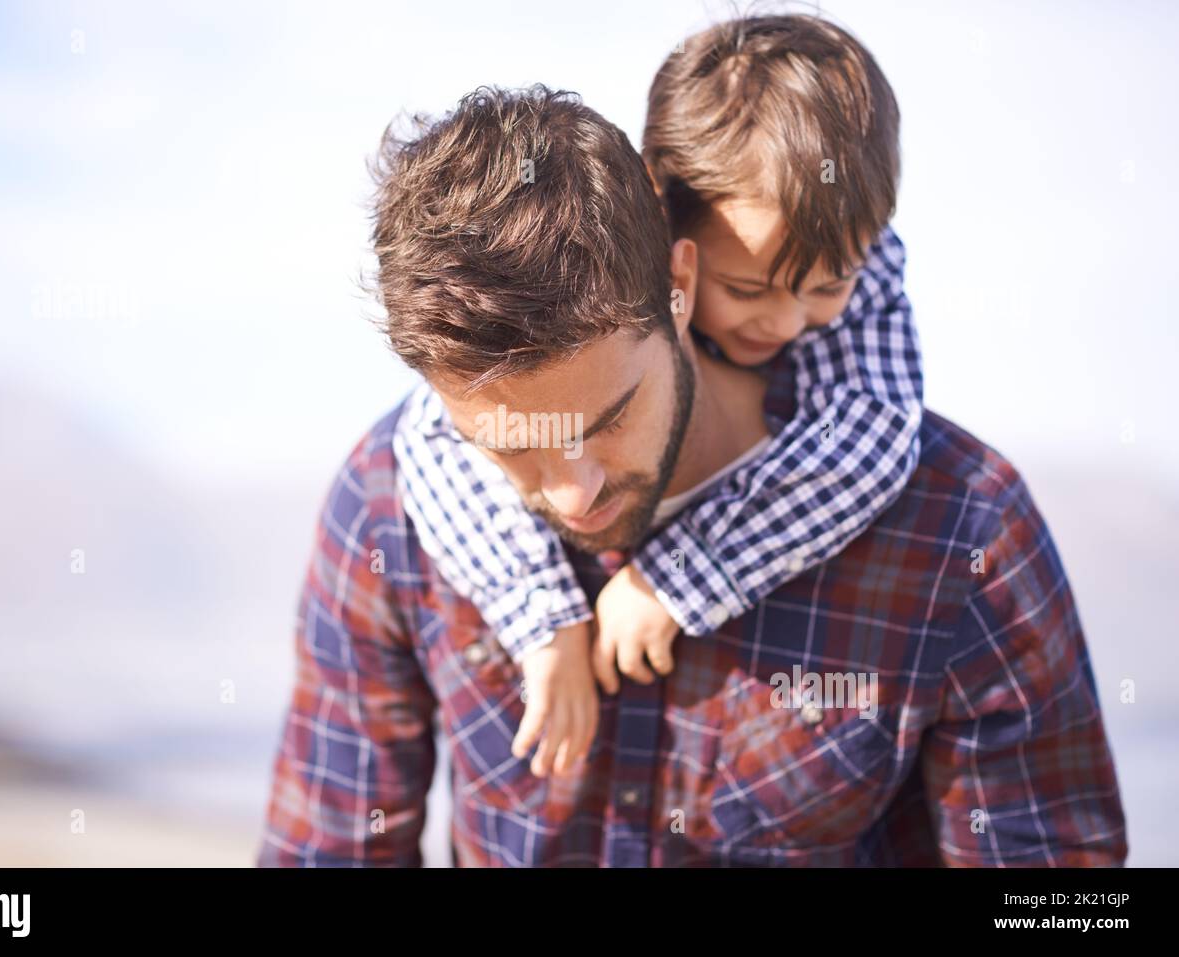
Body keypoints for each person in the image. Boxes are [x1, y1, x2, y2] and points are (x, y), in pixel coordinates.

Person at [258, 83, 1126, 866]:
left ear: (680, 282)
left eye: (608, 422)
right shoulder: (386, 509)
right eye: (511, 448)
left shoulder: (961, 527)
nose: (575, 495)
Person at [395, 15, 921, 776]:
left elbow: (872, 436)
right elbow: (429, 435)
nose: (786, 319)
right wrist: (544, 618)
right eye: (745, 288)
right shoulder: (600, 289)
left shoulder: (853, 263)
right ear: (665, 217)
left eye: (829, 285)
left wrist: (679, 576)